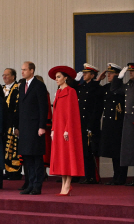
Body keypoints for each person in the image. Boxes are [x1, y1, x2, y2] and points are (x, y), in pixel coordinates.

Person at [49, 66, 84, 196]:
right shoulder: (58, 92)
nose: (56, 79)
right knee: (61, 156)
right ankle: (64, 184)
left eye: (58, 77)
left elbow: (72, 113)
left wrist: (67, 129)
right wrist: (53, 129)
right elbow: (56, 113)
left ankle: (68, 184)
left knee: (68, 155)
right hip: (58, 129)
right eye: (56, 77)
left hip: (67, 129)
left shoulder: (71, 92)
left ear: (65, 78)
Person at [15, 61, 49, 195]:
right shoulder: (22, 85)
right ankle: (29, 184)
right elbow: (20, 108)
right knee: (27, 157)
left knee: (36, 158)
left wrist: (42, 126)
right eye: (21, 69)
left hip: (35, 127)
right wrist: (17, 127)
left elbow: (43, 107)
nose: (22, 72)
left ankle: (37, 185)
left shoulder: (39, 85)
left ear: (32, 71)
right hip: (24, 127)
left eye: (24, 69)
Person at [98, 63, 127, 185]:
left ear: (117, 75)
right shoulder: (106, 88)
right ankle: (116, 176)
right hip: (109, 123)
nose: (108, 75)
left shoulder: (123, 88)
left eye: (111, 73)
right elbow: (94, 92)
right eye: (108, 73)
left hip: (119, 123)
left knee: (120, 152)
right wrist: (98, 80)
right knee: (112, 152)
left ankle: (121, 177)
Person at [75, 63, 102, 184]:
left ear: (92, 75)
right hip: (81, 123)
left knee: (90, 151)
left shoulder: (96, 88)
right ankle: (85, 175)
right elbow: (71, 91)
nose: (84, 75)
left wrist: (91, 125)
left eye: (86, 73)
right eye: (84, 73)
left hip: (90, 124)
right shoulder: (81, 87)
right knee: (82, 151)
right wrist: (75, 81)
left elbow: (97, 109)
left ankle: (92, 176)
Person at [114, 63, 134, 186]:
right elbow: (115, 89)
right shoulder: (128, 85)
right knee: (129, 149)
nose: (131, 73)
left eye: (133, 71)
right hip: (128, 118)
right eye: (130, 72)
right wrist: (119, 78)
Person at [1, 67, 21, 180]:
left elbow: (17, 109)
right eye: (3, 75)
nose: (4, 77)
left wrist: (16, 125)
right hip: (4, 124)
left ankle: (15, 172)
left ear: (13, 77)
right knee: (5, 148)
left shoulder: (17, 89)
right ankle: (7, 170)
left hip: (12, 123)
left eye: (7, 75)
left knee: (13, 148)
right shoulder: (2, 88)